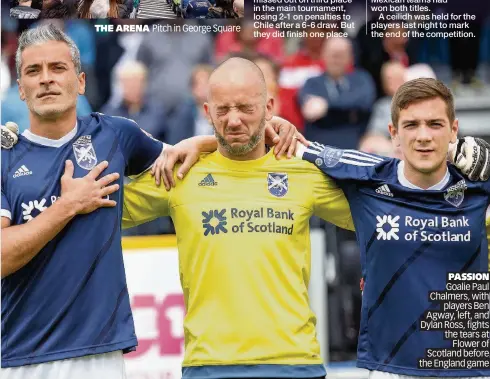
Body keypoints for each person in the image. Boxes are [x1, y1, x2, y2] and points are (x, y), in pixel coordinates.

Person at [0, 24, 302, 379]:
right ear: (20, 89)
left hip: (102, 353)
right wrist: (67, 206)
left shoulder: (115, 134)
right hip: (21, 356)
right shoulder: (5, 156)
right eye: (34, 71)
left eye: (57, 68)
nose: (46, 79)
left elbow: (176, 160)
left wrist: (236, 134)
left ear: (81, 82)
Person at [121, 57, 355, 379]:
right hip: (208, 367)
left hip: (294, 363)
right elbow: (98, 210)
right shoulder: (182, 172)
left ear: (269, 107)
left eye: (245, 108)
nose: (233, 120)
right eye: (222, 110)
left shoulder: (302, 171)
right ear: (206, 113)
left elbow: (378, 214)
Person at [297, 78, 490, 379]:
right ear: (394, 133)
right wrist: (202, 142)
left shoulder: (480, 185)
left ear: (454, 130)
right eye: (411, 125)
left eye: (435, 124)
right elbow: (290, 146)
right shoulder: (369, 179)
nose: (423, 136)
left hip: (466, 364)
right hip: (391, 365)